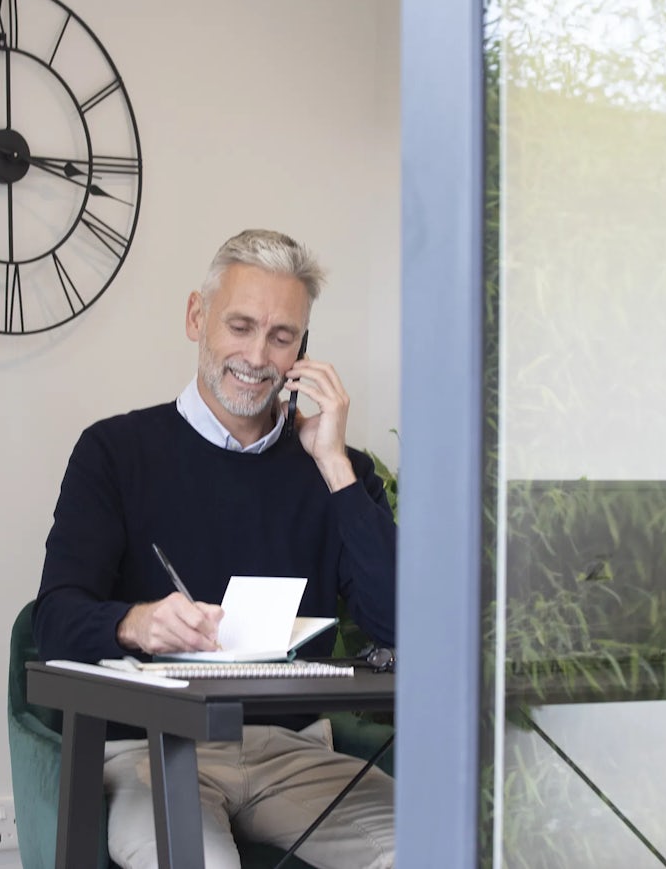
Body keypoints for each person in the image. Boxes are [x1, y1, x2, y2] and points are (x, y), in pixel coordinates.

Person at [33, 228, 397, 869]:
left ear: (302, 352)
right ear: (197, 318)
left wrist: (335, 466)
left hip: (294, 752)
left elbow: (401, 624)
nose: (258, 355)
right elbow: (55, 619)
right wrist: (136, 622)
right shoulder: (113, 453)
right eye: (241, 325)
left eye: (282, 336)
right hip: (153, 750)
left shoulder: (338, 471)